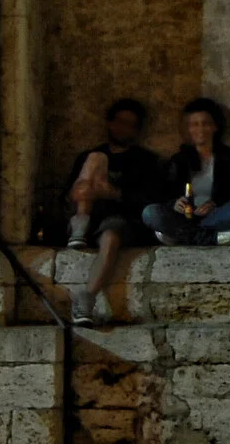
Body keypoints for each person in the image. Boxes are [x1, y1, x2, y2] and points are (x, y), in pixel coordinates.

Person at [63, 98, 161, 327]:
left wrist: (114, 193)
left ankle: (86, 299)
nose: (123, 128)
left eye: (130, 124)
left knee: (111, 235)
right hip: (83, 211)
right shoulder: (89, 156)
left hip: (117, 217)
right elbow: (69, 194)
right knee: (96, 159)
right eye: (120, 122)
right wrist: (90, 190)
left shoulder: (145, 161)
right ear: (109, 123)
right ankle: (81, 222)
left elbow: (150, 200)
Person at [141, 97, 230, 247]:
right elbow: (164, 194)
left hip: (212, 217)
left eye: (206, 124)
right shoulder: (179, 160)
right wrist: (175, 204)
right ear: (188, 129)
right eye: (194, 125)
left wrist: (214, 204)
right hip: (183, 218)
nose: (200, 129)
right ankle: (212, 239)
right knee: (150, 213)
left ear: (215, 127)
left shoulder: (227, 158)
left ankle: (182, 237)